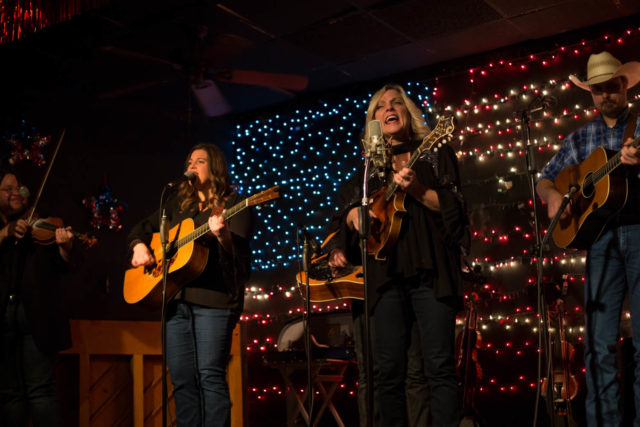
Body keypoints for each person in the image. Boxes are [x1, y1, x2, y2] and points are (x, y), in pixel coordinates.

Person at [327, 83, 467, 426]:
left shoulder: (432, 151)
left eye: (396, 103)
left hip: (431, 273)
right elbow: (344, 213)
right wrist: (351, 217)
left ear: (408, 113)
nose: (389, 108)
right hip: (384, 279)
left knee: (439, 368)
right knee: (387, 373)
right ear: (374, 120)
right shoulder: (368, 169)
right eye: (380, 106)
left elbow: (456, 209)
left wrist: (417, 189)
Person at [535, 51, 640, 426]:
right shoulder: (581, 138)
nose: (605, 95)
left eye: (611, 87)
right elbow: (546, 178)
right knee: (597, 347)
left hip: (639, 233)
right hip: (600, 242)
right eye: (598, 91)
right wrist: (554, 198)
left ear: (624, 85)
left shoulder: (638, 127)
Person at [127, 143, 253, 427]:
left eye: (200, 161)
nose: (192, 166)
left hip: (215, 300)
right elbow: (139, 229)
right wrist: (138, 246)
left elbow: (242, 260)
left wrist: (224, 237)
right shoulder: (175, 205)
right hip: (175, 302)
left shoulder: (234, 204)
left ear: (216, 168)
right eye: (190, 161)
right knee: (182, 379)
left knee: (209, 375)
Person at [0, 169, 76, 427]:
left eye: (18, 187)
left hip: (36, 316)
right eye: (7, 189)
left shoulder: (40, 224)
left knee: (41, 392)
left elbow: (63, 266)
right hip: (4, 317)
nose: (16, 192)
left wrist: (65, 247)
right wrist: (5, 232)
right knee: (10, 396)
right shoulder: (5, 229)